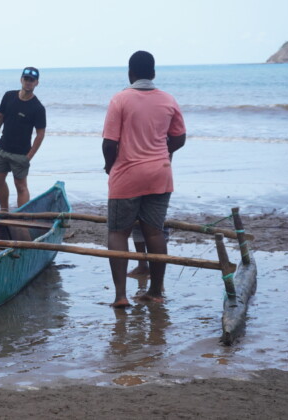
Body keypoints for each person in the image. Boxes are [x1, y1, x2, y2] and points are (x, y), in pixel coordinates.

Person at [102, 51, 186, 308]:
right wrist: (164, 152)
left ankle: (120, 296)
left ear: (130, 73)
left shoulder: (120, 99)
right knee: (154, 231)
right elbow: (180, 138)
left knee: (118, 232)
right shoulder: (168, 100)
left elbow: (109, 142)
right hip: (160, 174)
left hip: (127, 175)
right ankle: (156, 291)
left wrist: (109, 166)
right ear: (153, 73)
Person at [0, 67, 46, 210]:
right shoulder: (9, 96)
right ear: (21, 79)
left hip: (21, 154)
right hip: (2, 148)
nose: (28, 82)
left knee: (20, 186)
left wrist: (29, 156)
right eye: (26, 79)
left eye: (31, 80)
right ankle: (4, 211)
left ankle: (22, 218)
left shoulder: (38, 108)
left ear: (36, 83)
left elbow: (40, 134)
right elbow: (0, 117)